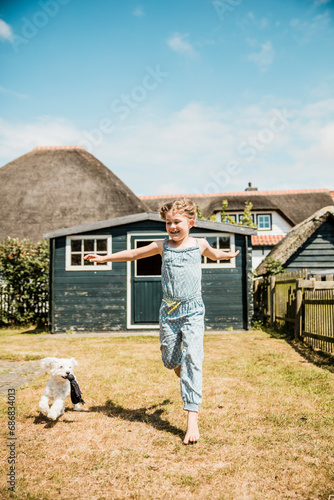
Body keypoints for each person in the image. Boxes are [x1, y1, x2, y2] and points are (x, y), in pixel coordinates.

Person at [84, 198, 239, 444]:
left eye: (177, 222)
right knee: (169, 358)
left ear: (191, 222)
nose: (172, 227)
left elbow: (215, 254)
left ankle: (191, 419)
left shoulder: (199, 244)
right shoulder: (162, 245)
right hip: (168, 311)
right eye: (168, 223)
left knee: (192, 358)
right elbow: (134, 253)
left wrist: (228, 254)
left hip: (193, 311)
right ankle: (183, 372)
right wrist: (104, 258)